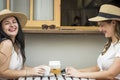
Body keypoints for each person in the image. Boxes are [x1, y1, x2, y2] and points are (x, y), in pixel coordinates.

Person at [65, 4, 120, 80]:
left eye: (102, 25)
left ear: (113, 23)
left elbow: (110, 74)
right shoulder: (109, 44)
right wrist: (76, 71)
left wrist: (79, 74)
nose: (100, 30)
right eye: (99, 26)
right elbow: (97, 68)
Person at [0, 9, 46, 80]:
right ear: (1, 28)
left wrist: (38, 70)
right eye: (7, 23)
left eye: (14, 22)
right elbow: (2, 73)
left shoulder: (17, 43)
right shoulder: (6, 43)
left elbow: (19, 67)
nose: (12, 25)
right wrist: (29, 72)